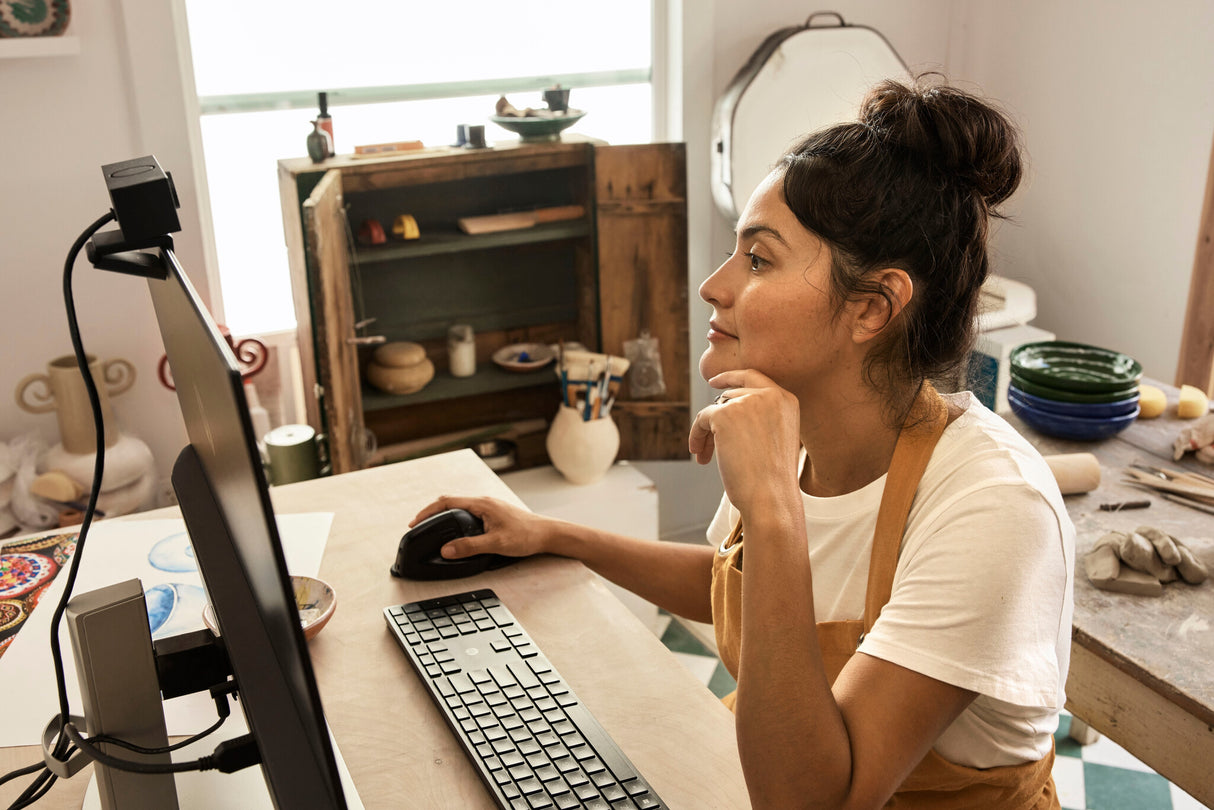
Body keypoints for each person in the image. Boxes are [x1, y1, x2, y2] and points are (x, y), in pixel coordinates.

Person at [412, 77, 1074, 809]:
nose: (713, 286)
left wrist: (771, 510)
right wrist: (555, 536)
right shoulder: (794, 431)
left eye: (757, 260)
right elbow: (728, 588)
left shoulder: (993, 507)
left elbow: (817, 801)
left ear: (870, 307)